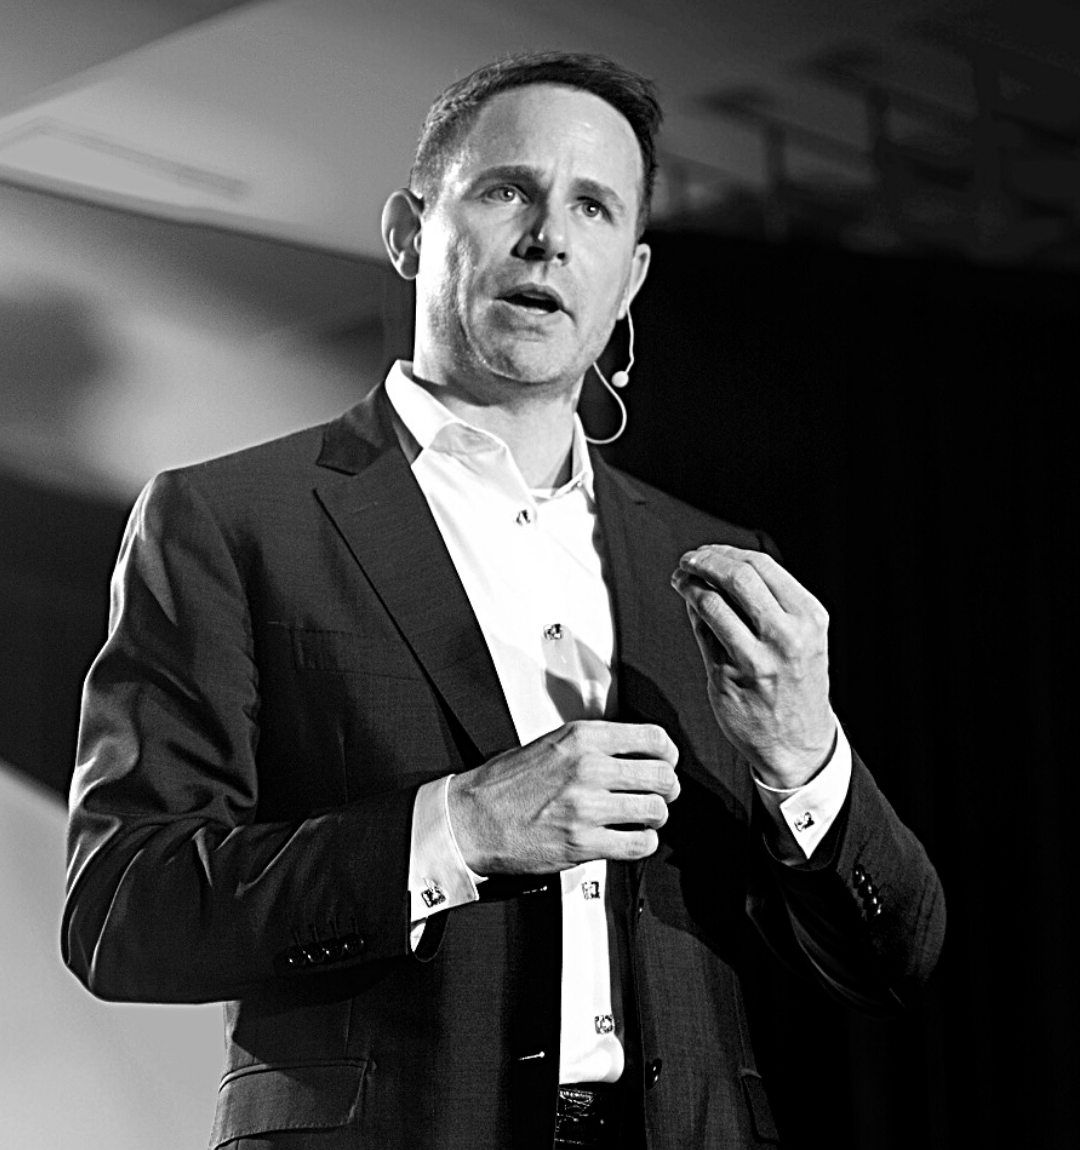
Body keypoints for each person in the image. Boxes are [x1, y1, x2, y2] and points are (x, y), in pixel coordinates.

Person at [63, 51, 944, 1150]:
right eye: (507, 190)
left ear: (630, 277)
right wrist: (461, 828)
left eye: (593, 207)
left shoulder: (709, 561)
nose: (548, 238)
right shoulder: (232, 519)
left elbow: (892, 959)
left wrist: (804, 756)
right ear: (408, 232)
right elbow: (123, 910)